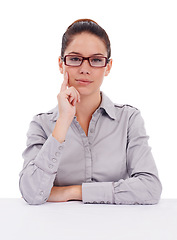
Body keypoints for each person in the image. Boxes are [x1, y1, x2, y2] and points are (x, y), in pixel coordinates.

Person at [19, 19, 162, 205]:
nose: (85, 69)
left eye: (96, 60)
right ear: (61, 64)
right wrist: (63, 121)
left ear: (108, 67)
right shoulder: (42, 124)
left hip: (118, 229)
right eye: (75, 59)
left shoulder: (129, 119)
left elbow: (150, 188)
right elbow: (31, 192)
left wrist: (73, 192)